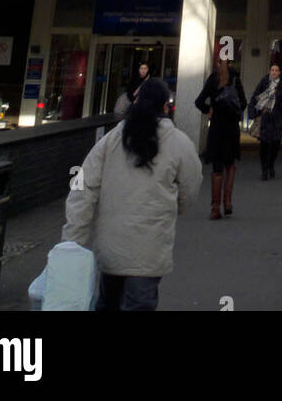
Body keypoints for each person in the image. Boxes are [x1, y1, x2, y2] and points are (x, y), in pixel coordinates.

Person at [62, 77, 202, 311]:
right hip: (150, 249)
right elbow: (192, 183)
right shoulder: (178, 142)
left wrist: (74, 238)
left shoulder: (111, 140)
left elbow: (83, 186)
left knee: (107, 304)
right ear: (165, 106)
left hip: (110, 249)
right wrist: (178, 206)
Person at [194, 57, 246, 219]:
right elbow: (243, 102)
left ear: (218, 63)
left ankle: (215, 208)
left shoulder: (213, 79)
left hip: (216, 126)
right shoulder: (235, 79)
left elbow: (199, 101)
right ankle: (228, 203)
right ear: (231, 63)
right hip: (231, 127)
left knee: (217, 166)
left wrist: (210, 109)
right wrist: (235, 112)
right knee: (229, 163)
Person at [248, 61, 282, 180]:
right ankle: (264, 170)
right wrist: (252, 113)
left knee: (275, 145)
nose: (274, 72)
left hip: (277, 119)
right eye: (272, 70)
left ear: (279, 73)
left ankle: (271, 164)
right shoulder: (264, 83)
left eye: (276, 70)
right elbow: (255, 97)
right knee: (264, 145)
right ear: (269, 71)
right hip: (265, 118)